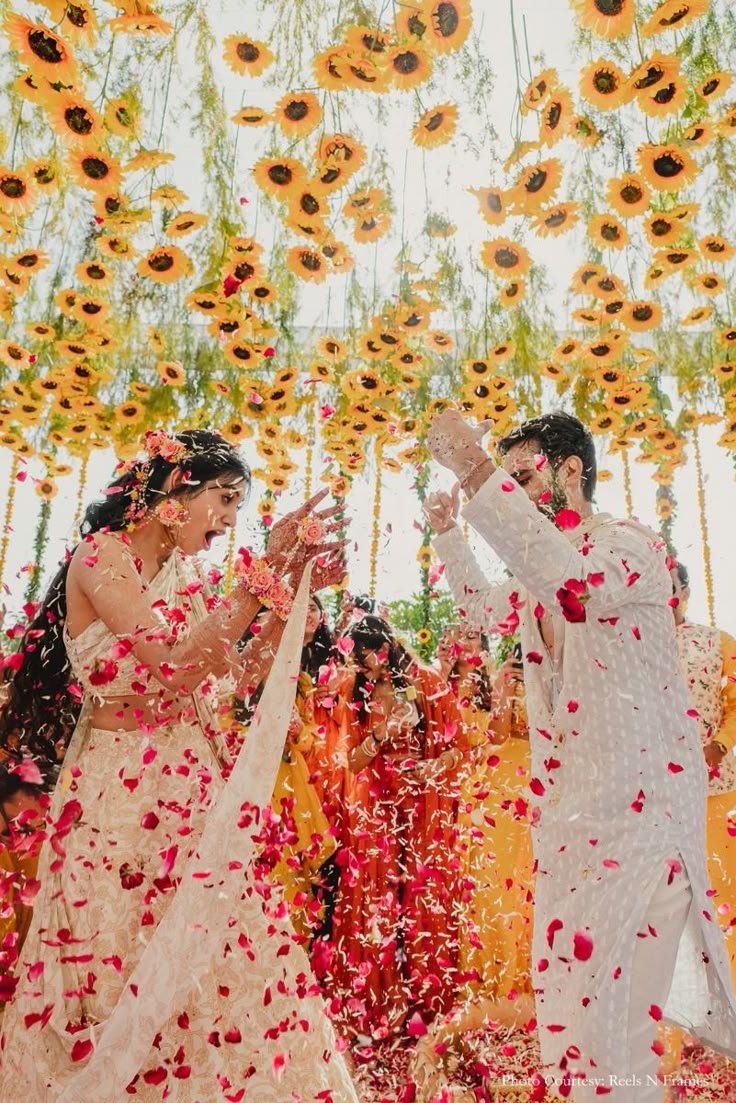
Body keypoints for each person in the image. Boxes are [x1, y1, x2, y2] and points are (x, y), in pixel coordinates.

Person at [0, 428, 358, 1102]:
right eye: (223, 499)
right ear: (174, 489)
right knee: (115, 964)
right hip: (120, 799)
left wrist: (292, 580)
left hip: (192, 795)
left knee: (215, 969)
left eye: (236, 506)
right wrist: (263, 574)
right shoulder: (101, 557)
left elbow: (229, 679)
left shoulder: (190, 577)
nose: (228, 520)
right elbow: (174, 662)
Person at [423, 408, 736, 1101]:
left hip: (645, 823)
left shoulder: (630, 547)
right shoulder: (545, 568)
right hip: (575, 825)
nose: (513, 494)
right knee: (573, 1030)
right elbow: (485, 613)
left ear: (572, 471)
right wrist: (449, 533)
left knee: (618, 1035)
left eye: (523, 476)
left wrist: (475, 470)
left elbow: (573, 587)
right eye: (504, 481)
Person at [324, 615, 464, 1043]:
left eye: (363, 656)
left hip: (422, 806)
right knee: (377, 899)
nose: (360, 665)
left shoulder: (426, 682)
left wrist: (432, 767)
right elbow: (349, 762)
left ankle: (423, 999)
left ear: (384, 647)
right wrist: (381, 733)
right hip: (376, 808)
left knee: (419, 898)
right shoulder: (354, 690)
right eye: (352, 658)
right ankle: (381, 1004)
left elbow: (459, 748)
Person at [671, 561, 736, 980]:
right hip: (657, 795)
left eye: (669, 586)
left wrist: (717, 746)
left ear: (686, 589)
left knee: (723, 888)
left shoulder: (718, 642)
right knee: (672, 901)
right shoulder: (634, 648)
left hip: (717, 788)